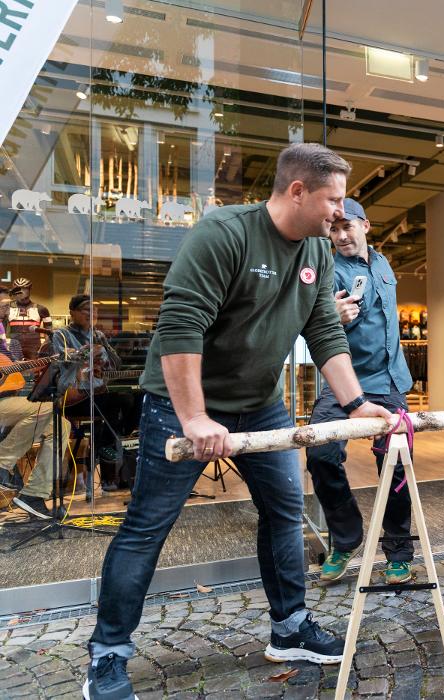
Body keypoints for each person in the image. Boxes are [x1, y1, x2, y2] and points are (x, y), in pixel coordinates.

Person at [82, 143, 395, 700]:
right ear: (297, 191)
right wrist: (195, 416)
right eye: (334, 200)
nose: (340, 215)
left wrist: (355, 405)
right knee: (147, 527)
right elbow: (179, 326)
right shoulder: (225, 234)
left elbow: (324, 331)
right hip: (181, 405)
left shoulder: (317, 254)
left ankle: (289, 626)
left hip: (260, 403)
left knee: (284, 510)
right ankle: (107, 657)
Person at [304, 198, 415, 585]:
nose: (340, 235)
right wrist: (331, 316)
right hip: (345, 384)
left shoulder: (383, 265)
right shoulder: (328, 269)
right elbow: (311, 320)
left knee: (397, 467)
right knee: (321, 454)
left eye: (347, 226)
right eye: (333, 228)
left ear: (366, 226)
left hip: (390, 384)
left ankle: (399, 551)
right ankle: (346, 538)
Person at [49, 295, 140, 491]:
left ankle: (112, 445)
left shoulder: (98, 335)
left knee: (137, 398)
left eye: (95, 311)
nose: (92, 314)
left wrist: (105, 346)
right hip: (74, 395)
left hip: (99, 393)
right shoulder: (61, 335)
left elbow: (116, 365)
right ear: (72, 312)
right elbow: (61, 361)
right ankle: (106, 449)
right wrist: (84, 352)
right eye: (86, 309)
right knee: (118, 400)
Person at [0, 320, 70, 519]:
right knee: (46, 407)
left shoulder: (6, 347)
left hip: (8, 401)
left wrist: (46, 362)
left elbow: (15, 370)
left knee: (61, 425)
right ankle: (2, 463)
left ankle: (34, 494)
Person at [6, 277, 52, 360]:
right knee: (14, 371)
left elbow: (49, 331)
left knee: (34, 371)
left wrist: (45, 347)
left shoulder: (42, 309)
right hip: (14, 347)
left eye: (24, 289)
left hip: (34, 348)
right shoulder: (7, 308)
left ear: (29, 290)